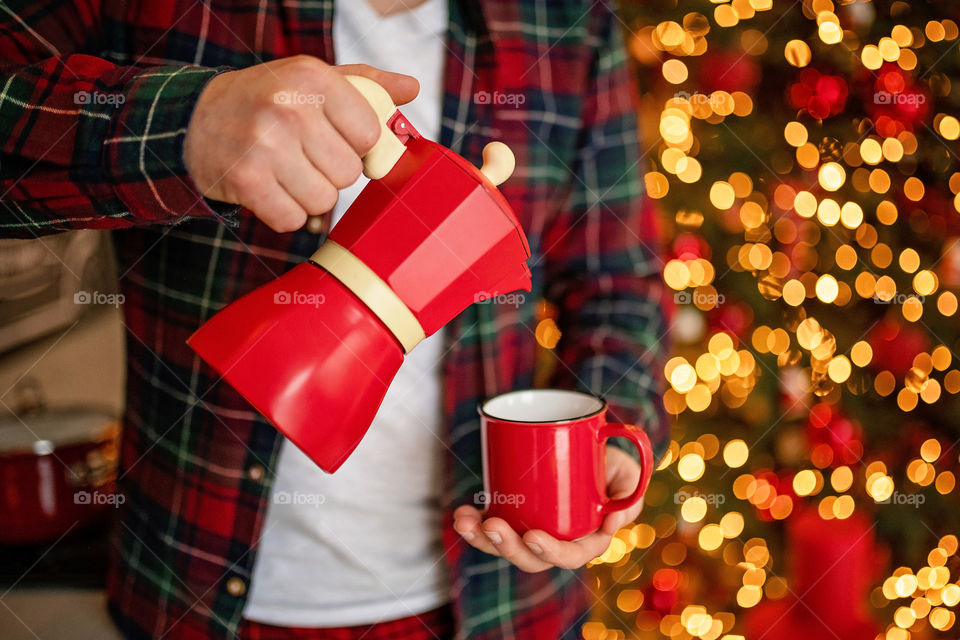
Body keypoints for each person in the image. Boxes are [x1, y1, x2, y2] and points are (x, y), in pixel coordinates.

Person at [0, 0, 670, 637]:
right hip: (193, 585)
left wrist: (601, 444)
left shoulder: (566, 23)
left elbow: (617, 285)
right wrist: (188, 122)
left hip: (504, 606)